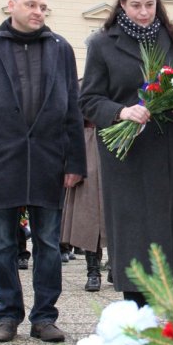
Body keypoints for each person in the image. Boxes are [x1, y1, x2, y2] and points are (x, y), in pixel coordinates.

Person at [0, 0, 85, 344]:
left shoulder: (61, 48)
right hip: (1, 160)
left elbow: (72, 110)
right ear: (11, 5)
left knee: (48, 243)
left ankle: (45, 317)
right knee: (2, 244)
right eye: (31, 4)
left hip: (49, 160)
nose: (38, 12)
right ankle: (8, 314)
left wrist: (75, 161)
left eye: (43, 7)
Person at [79, 0, 173, 308]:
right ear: (122, 4)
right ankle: (134, 311)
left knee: (164, 233)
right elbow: (88, 99)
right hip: (127, 154)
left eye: (150, 4)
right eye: (136, 5)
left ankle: (156, 309)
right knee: (133, 234)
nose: (144, 12)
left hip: (169, 149)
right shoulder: (102, 43)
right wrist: (121, 112)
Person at [60, 117, 108, 292]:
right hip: (88, 140)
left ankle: (118, 266)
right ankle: (93, 271)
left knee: (121, 209)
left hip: (121, 137)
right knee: (90, 209)